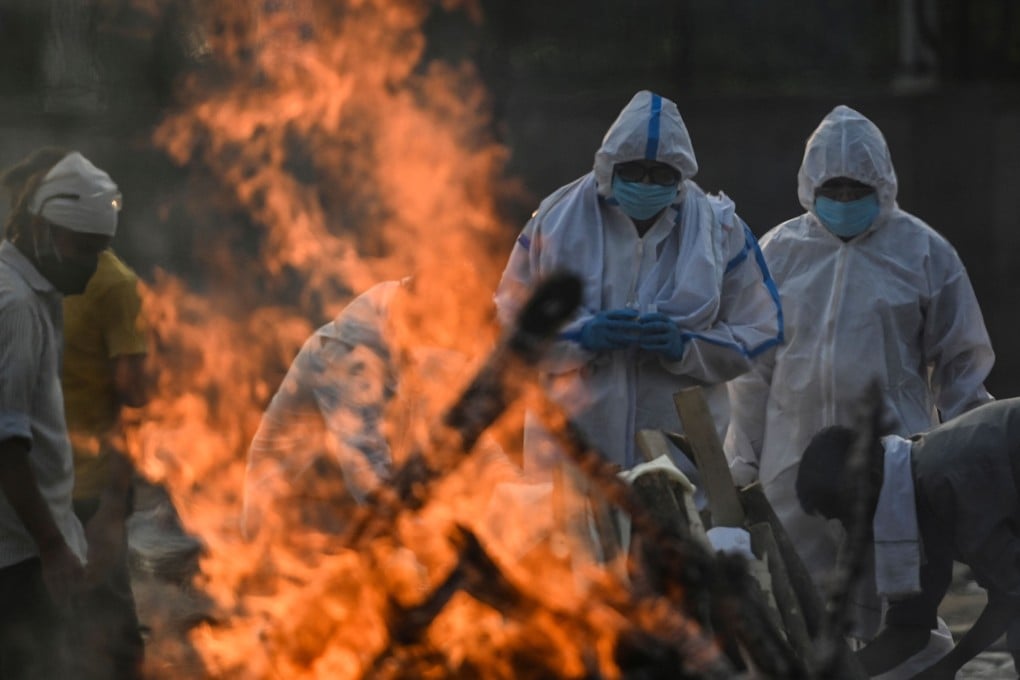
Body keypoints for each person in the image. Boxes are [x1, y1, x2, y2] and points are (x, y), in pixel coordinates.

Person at [725, 105, 994, 637]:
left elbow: (962, 363)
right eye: (834, 189)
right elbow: (751, 368)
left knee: (894, 597)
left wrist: (972, 460)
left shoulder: (923, 252)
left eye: (856, 189)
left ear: (883, 184)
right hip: (790, 461)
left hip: (890, 462)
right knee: (794, 602)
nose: (845, 201)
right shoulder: (778, 253)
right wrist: (741, 459)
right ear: (810, 185)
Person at [493, 89, 783, 475]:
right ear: (609, 167)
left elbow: (760, 330)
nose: (646, 183)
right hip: (571, 451)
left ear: (680, 175)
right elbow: (507, 323)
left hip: (681, 454)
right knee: (572, 534)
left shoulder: (720, 230)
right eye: (633, 171)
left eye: (661, 173)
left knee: (679, 531)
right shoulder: (556, 221)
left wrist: (687, 347)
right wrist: (579, 337)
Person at [0, 148, 122, 677]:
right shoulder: (17, 307)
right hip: (20, 558)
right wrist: (52, 547)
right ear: (41, 230)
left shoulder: (29, 290)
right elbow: (5, 442)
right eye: (82, 248)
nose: (91, 265)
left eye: (99, 251)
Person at [796, 398, 1020, 679]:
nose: (852, 531)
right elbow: (910, 629)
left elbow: (1011, 594)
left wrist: (949, 666)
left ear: (872, 481)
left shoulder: (942, 480)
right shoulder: (913, 487)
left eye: (847, 515)